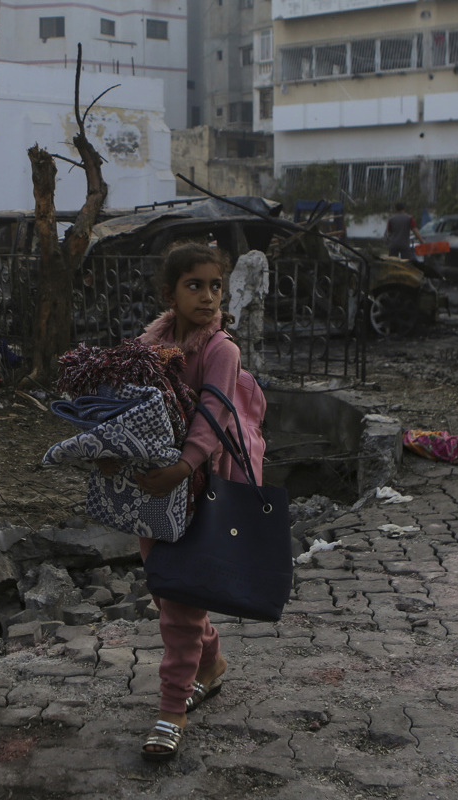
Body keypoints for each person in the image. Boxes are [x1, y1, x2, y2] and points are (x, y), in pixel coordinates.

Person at [115, 242, 266, 761]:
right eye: (194, 285)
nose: (207, 297)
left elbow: (213, 415)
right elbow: (135, 407)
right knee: (168, 586)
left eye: (215, 286)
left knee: (179, 606)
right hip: (156, 487)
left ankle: (172, 709)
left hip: (202, 486)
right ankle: (212, 664)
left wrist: (183, 467)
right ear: (170, 294)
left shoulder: (220, 350)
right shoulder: (150, 345)